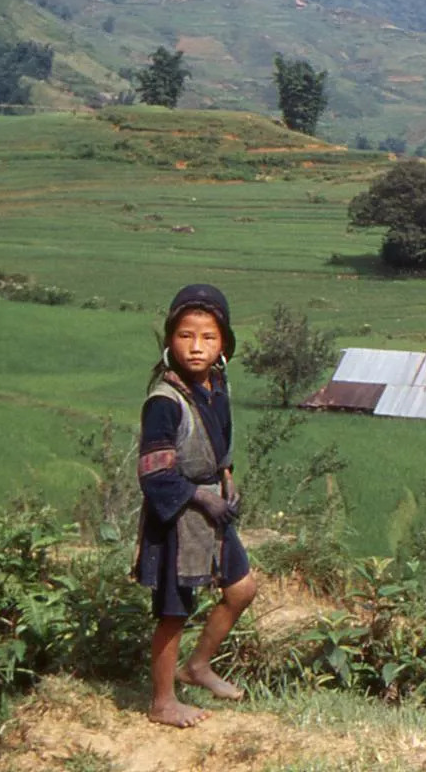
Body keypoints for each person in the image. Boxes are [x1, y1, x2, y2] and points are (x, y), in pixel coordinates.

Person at [133, 284, 257, 728]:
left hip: (212, 511)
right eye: (186, 336)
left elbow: (219, 445)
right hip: (178, 518)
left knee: (242, 589)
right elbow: (154, 473)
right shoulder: (164, 403)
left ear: (224, 343)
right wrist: (202, 497)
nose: (196, 347)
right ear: (170, 340)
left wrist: (226, 479)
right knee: (174, 610)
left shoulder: (216, 386)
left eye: (208, 337)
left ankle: (198, 666)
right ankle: (163, 701)